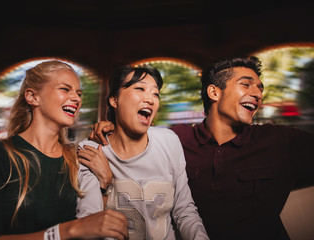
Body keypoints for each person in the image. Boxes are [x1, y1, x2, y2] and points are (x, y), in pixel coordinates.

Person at [89, 56, 314, 240]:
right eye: (246, 84)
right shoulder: (174, 140)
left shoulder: (281, 141)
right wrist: (113, 126)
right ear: (214, 92)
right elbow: (131, 141)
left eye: (259, 88)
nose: (257, 94)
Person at [0, 60, 128, 240]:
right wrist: (68, 231)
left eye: (79, 93)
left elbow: (94, 225)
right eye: (65, 89)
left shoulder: (79, 158)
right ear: (33, 97)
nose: (77, 98)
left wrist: (104, 184)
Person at [78, 65, 209, 240]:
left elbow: (184, 211)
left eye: (155, 94)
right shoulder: (92, 150)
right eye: (140, 89)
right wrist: (105, 184)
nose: (150, 99)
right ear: (114, 100)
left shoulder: (169, 141)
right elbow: (88, 225)